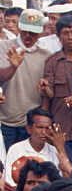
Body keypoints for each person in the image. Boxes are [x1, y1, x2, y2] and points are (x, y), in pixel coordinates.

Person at [40, 14, 72, 165]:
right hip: (62, 128)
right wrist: (44, 88)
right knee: (65, 168)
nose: (70, 37)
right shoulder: (52, 61)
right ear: (58, 36)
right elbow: (49, 96)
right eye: (65, 33)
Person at [0, 8, 50, 151]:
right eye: (26, 30)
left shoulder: (46, 56)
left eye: (33, 32)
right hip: (5, 120)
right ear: (19, 27)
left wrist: (40, 117)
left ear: (40, 32)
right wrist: (13, 67)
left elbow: (47, 92)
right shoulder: (3, 47)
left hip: (30, 124)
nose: (29, 35)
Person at [3, 107, 72, 186]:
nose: (44, 132)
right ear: (29, 128)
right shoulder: (15, 149)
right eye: (40, 127)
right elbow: (9, 182)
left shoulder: (55, 151)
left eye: (47, 128)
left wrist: (61, 149)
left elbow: (66, 181)